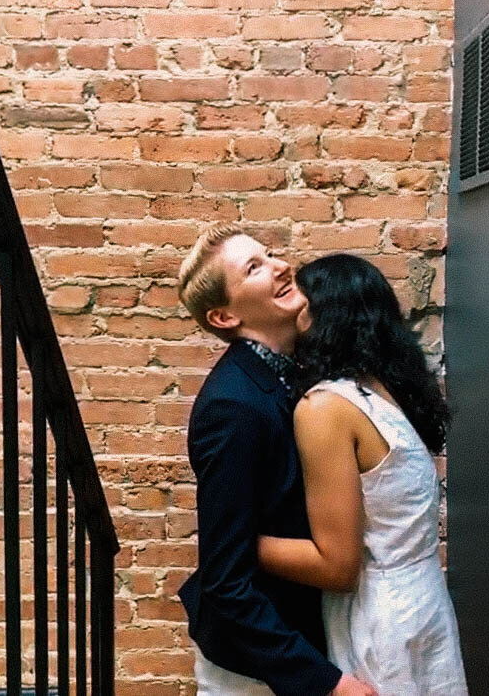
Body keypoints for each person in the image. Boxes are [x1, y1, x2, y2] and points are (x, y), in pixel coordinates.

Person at [176, 224, 378, 696]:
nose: (280, 266)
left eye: (269, 255)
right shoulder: (234, 408)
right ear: (224, 317)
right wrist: (326, 683)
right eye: (254, 268)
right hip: (253, 674)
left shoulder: (292, 376)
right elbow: (226, 582)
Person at [256, 254, 469, 695]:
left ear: (320, 317)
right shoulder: (385, 390)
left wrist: (239, 543)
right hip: (422, 603)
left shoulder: (326, 408)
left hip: (380, 619)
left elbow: (338, 567)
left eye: (298, 300)